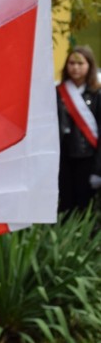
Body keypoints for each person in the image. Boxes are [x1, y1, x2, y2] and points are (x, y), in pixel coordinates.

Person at [56, 45, 101, 216]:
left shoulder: (97, 94)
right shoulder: (58, 93)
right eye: (72, 63)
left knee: (84, 207)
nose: (75, 67)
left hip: (87, 160)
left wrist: (98, 170)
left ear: (89, 66)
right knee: (64, 206)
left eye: (80, 63)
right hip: (63, 158)